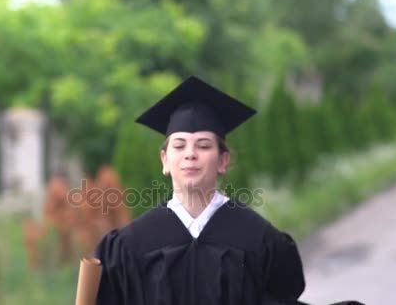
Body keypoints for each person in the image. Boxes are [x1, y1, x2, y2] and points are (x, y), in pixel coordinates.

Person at [93, 76, 307, 304]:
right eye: (179, 145)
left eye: (204, 145)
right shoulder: (129, 245)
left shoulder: (258, 238)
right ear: (164, 160)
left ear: (223, 161)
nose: (190, 154)